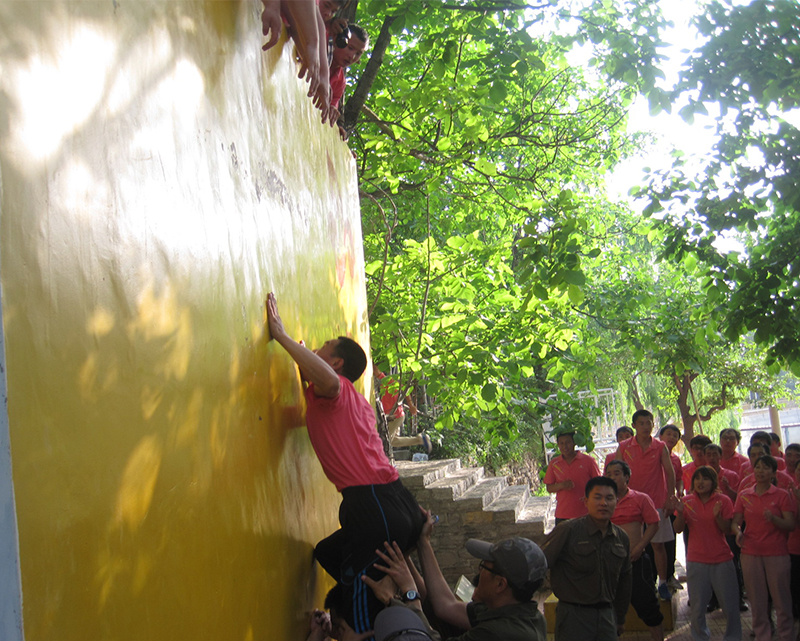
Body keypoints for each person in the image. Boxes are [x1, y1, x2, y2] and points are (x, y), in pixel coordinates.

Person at [266, 292, 423, 635]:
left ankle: (364, 620)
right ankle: (379, 603)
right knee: (328, 553)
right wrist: (306, 364)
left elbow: (326, 380)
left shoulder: (336, 389)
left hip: (374, 505)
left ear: (336, 364)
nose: (317, 348)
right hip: (393, 504)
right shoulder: (350, 399)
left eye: (324, 347)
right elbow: (321, 386)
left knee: (357, 614)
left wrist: (281, 336)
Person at [412, 509, 548, 641]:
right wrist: (422, 543)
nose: (479, 572)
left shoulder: (500, 633)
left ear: (500, 584)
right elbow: (446, 605)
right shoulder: (521, 613)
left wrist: (410, 596)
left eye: (483, 567)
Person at [542, 476, 632, 641]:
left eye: (609, 498)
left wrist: (620, 617)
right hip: (573, 617)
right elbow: (540, 563)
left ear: (616, 502)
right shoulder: (568, 530)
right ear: (585, 501)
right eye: (597, 497)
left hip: (607, 616)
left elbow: (624, 580)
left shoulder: (621, 538)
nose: (603, 503)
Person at [673, 466, 742, 641]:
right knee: (697, 606)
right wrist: (680, 513)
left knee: (729, 605)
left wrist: (718, 517)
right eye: (697, 478)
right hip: (696, 560)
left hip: (722, 559)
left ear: (713, 482)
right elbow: (678, 529)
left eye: (705, 479)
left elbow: (727, 530)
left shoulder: (723, 500)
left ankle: (733, 637)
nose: (700, 482)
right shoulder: (687, 501)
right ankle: (700, 637)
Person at [732, 455, 796, 641]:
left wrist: (774, 519)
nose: (760, 471)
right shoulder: (744, 495)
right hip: (750, 552)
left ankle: (786, 635)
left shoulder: (782, 495)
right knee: (757, 600)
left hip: (776, 553)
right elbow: (735, 522)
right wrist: (738, 532)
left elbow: (790, 525)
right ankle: (762, 635)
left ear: (774, 473)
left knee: (781, 599)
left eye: (766, 468)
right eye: (758, 467)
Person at [615, 409, 676, 600]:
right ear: (634, 426)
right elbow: (616, 472)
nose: (645, 426)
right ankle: (627, 584)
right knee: (630, 545)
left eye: (648, 422)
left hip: (656, 502)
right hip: (630, 503)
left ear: (653, 424)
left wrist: (670, 497)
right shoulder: (624, 446)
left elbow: (669, 472)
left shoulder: (660, 446)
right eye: (641, 423)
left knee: (658, 546)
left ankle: (663, 583)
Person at [606, 460, 664, 641]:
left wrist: (640, 547)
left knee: (647, 604)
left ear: (626, 477)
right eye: (608, 474)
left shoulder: (640, 498)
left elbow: (654, 524)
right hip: (609, 563)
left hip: (635, 560)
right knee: (608, 606)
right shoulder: (603, 501)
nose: (612, 477)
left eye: (616, 473)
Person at [545, 432, 601, 524]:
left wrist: (589, 495)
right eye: (561, 443)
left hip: (586, 512)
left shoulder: (589, 461)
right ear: (558, 444)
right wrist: (562, 485)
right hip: (563, 514)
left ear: (574, 442)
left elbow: (599, 484)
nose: (565, 446)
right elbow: (549, 488)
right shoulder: (554, 464)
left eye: (568, 442)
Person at [376, 371, 431, 452]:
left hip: (395, 416)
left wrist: (411, 406)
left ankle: (420, 439)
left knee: (386, 440)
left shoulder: (388, 381)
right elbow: (406, 392)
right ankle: (420, 439)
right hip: (397, 415)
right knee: (393, 441)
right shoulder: (392, 382)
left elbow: (406, 392)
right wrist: (411, 406)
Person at [658, 424, 683, 591]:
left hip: (670, 505)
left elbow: (679, 478)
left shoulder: (676, 459)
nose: (672, 437)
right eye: (669, 434)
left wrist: (679, 491)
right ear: (660, 436)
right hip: (655, 504)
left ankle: (669, 576)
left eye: (675, 435)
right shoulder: (653, 455)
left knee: (670, 541)